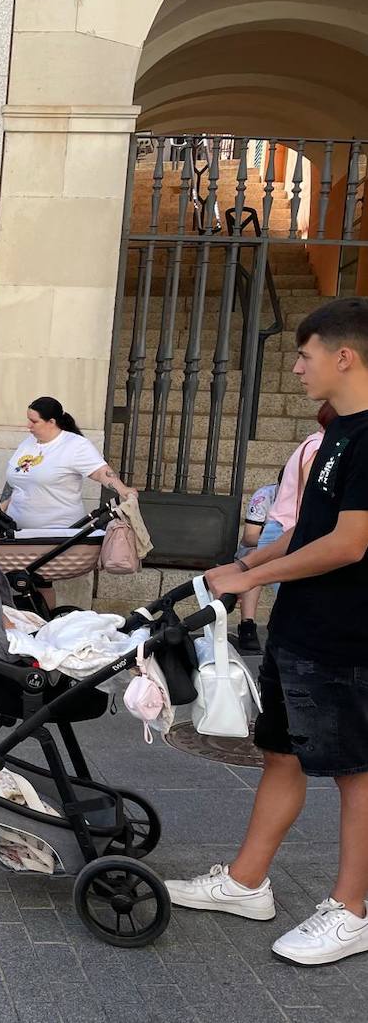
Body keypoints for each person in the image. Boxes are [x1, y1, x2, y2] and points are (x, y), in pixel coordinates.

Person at [167, 297, 368, 967]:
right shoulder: (336, 432)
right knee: (280, 753)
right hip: (302, 629)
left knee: (356, 773)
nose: (298, 367)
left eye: (305, 355)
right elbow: (310, 531)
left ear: (345, 356)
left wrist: (256, 577)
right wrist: (246, 564)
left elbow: (350, 543)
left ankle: (352, 909)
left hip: (347, 637)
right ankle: (246, 883)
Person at [2, 395, 137, 607]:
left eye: (34, 421)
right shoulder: (28, 443)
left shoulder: (74, 445)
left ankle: (43, 621)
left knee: (40, 581)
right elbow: (14, 481)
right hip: (19, 531)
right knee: (22, 581)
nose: (28, 426)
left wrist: (123, 490)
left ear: (52, 422)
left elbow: (100, 472)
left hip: (53, 532)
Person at [256, 401, 337, 598]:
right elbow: (315, 493)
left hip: (281, 530)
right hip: (287, 532)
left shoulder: (311, 442)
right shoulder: (319, 447)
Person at [232, 476, 279, 654]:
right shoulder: (265, 495)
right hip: (259, 549)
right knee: (255, 559)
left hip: (291, 552)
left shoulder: (309, 496)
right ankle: (247, 625)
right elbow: (249, 537)